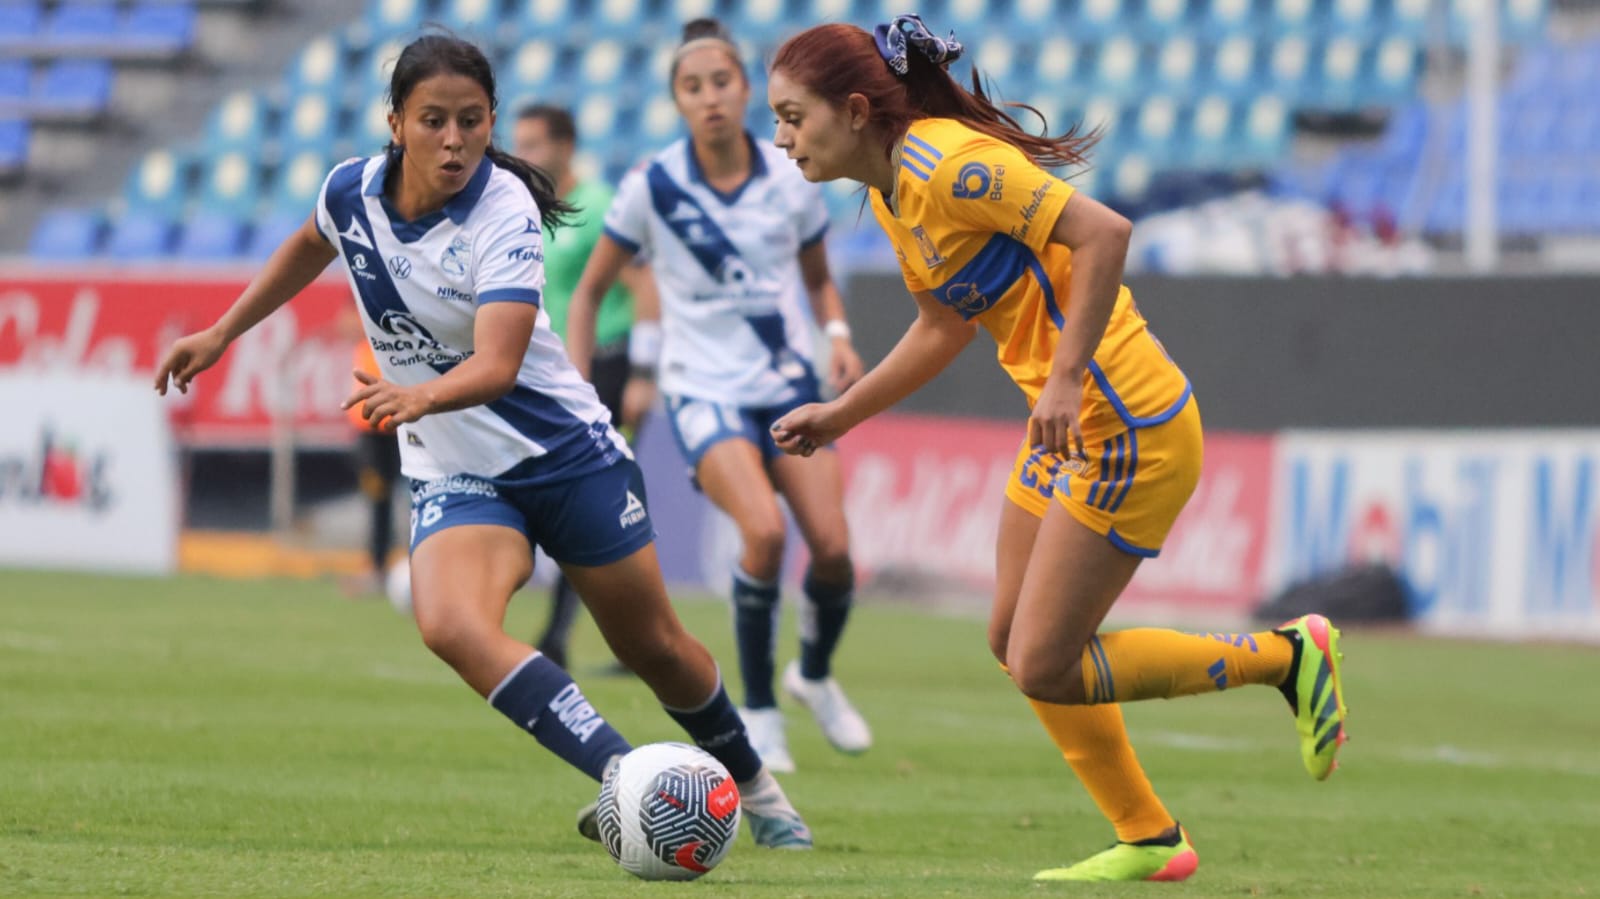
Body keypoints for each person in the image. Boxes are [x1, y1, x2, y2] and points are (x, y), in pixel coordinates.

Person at [153, 32, 811, 850]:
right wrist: (222, 332)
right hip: (460, 470)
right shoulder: (350, 191)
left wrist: (418, 393)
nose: (454, 139)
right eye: (433, 120)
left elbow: (499, 364)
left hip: (565, 456)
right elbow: (307, 243)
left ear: (491, 120)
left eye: (471, 120)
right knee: (449, 624)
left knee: (656, 646)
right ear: (396, 123)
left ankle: (756, 784)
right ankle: (627, 774)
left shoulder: (505, 210)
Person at [764, 16, 1349, 881]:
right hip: (1073, 425)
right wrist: (843, 413)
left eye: (791, 116)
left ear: (853, 110)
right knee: (1013, 643)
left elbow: (1105, 232)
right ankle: (1150, 836)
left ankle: (1288, 655)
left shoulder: (949, 165)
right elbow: (941, 325)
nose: (781, 139)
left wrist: (1069, 375)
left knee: (1046, 662)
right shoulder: (893, 190)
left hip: (1126, 425)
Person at [565, 18, 871, 774]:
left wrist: (835, 332)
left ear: (747, 90)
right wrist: (578, 386)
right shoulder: (653, 185)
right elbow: (591, 290)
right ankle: (761, 710)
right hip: (703, 391)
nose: (709, 99)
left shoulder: (790, 173)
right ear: (676, 99)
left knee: (831, 548)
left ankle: (815, 673)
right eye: (691, 87)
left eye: (722, 83)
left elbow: (817, 277)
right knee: (763, 535)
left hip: (790, 383)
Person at [511, 103, 657, 671]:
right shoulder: (525, 209)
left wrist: (644, 376)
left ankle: (561, 636)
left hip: (609, 368)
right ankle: (597, 636)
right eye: (519, 143)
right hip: (562, 377)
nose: (524, 156)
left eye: (535, 144)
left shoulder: (597, 207)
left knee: (601, 504)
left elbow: (644, 288)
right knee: (592, 506)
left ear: (566, 147)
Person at [344, 337, 403, 595]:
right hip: (370, 431)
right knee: (378, 501)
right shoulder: (365, 344)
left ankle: (385, 566)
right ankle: (377, 566)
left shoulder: (387, 338)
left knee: (389, 502)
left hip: (396, 426)